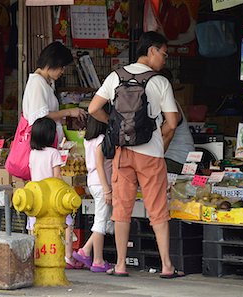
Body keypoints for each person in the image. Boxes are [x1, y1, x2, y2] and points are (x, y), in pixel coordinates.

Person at [88, 31, 185, 278]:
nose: (164, 59)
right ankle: (166, 266)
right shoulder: (160, 82)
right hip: (151, 153)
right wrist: (157, 135)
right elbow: (173, 122)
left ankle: (120, 265)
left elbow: (92, 109)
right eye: (163, 54)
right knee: (157, 209)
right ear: (151, 50)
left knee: (121, 209)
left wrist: (113, 124)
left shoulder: (115, 76)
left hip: (122, 153)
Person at [26, 117, 83, 269]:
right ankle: (68, 256)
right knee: (68, 224)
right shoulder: (53, 153)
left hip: (36, 195)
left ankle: (36, 255)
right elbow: (57, 177)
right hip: (52, 196)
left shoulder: (32, 153)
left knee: (34, 226)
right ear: (51, 135)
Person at [22, 41, 87, 145]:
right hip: (42, 146)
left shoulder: (44, 82)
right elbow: (40, 117)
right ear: (52, 63)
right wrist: (69, 112)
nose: (63, 71)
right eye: (62, 67)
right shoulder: (37, 83)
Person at [73, 114, 113, 273]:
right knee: (101, 221)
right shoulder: (101, 140)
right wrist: (107, 189)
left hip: (92, 181)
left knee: (102, 219)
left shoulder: (88, 140)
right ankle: (98, 260)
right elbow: (100, 165)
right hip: (100, 181)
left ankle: (85, 251)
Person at [159, 69, 195, 174]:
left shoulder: (170, 104)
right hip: (171, 158)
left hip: (178, 159)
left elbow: (169, 129)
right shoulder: (159, 103)